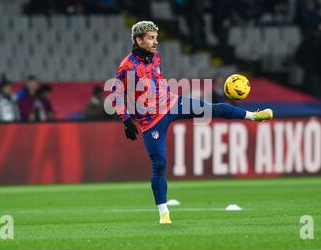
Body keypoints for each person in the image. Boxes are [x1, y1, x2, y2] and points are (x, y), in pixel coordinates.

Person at [113, 21, 273, 224]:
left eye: (156, 37)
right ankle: (164, 214)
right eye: (151, 38)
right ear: (139, 40)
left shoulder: (155, 57)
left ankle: (254, 116)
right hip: (150, 120)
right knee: (160, 163)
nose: (156, 42)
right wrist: (126, 119)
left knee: (212, 108)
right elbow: (116, 94)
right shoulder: (126, 67)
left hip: (172, 103)